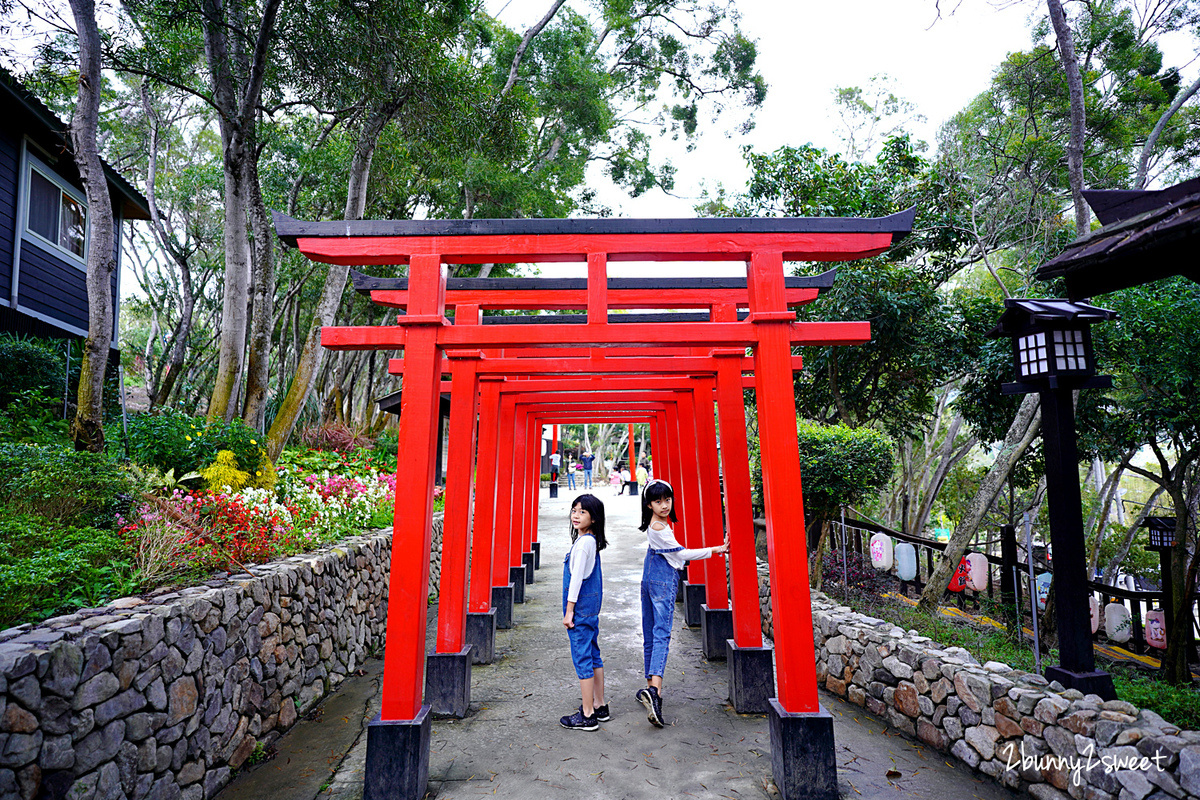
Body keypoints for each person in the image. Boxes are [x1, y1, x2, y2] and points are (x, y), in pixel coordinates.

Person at [636, 479, 728, 728]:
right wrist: (717, 549)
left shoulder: (656, 525)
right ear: (649, 505)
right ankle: (655, 692)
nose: (664, 505)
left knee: (650, 634)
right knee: (662, 635)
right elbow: (682, 555)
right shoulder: (660, 529)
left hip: (648, 577)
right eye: (658, 501)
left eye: (667, 499)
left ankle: (649, 688)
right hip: (662, 580)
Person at [560, 494, 609, 730]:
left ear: (594, 518)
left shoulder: (583, 546)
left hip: (580, 610)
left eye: (582, 512)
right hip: (590, 610)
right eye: (574, 510)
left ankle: (588, 714)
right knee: (593, 654)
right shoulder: (590, 541)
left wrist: (569, 611)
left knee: (582, 658)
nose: (576, 515)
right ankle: (600, 705)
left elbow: (577, 580)